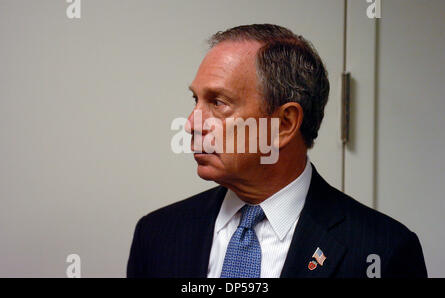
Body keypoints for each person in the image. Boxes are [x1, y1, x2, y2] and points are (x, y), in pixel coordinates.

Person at [127, 24, 427, 278]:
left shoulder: (382, 252)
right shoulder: (156, 235)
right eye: (196, 100)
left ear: (284, 123)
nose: (192, 123)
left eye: (218, 103)